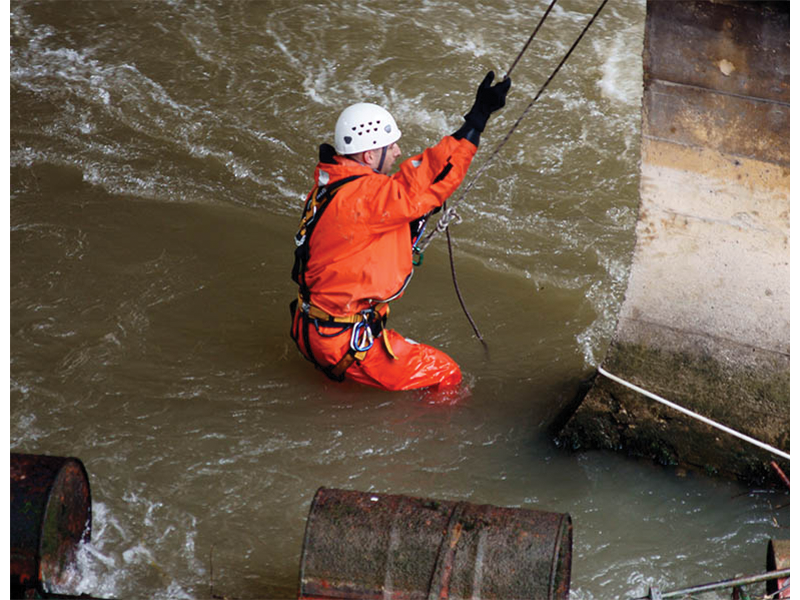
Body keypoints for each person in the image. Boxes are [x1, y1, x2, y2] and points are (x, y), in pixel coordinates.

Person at [290, 71, 511, 391]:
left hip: (313, 327)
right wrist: (477, 119)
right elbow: (436, 174)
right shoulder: (366, 198)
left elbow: (372, 225)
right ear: (368, 155)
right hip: (338, 342)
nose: (396, 153)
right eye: (390, 147)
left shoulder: (331, 185)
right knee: (447, 375)